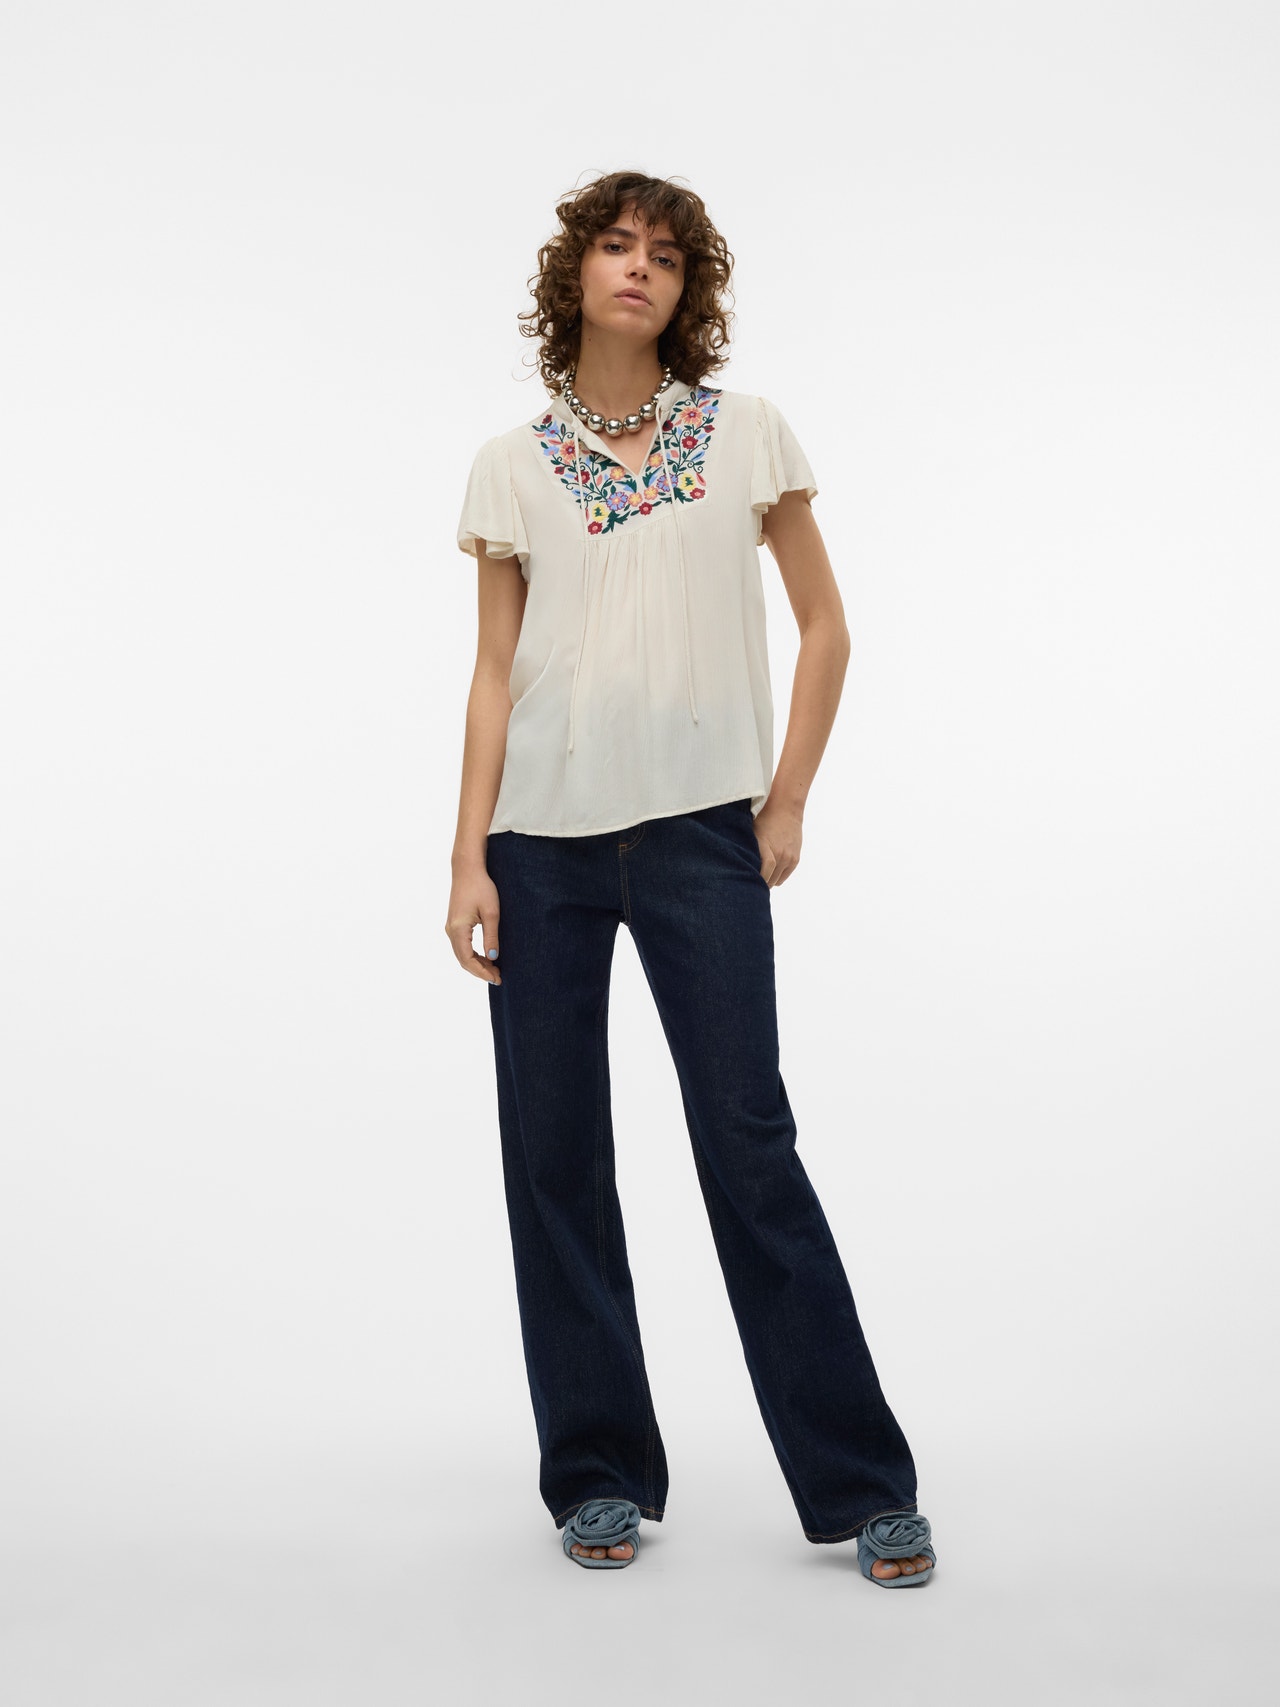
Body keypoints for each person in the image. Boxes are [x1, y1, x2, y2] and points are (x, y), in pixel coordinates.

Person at [446, 170, 936, 1587]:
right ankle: (597, 1472)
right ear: (576, 273)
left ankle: (860, 1482)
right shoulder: (511, 464)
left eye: (665, 255)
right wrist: (468, 851)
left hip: (700, 838)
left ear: (688, 289)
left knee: (747, 1140)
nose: (638, 269)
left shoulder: (747, 435)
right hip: (539, 847)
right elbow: (493, 670)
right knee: (555, 1154)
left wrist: (788, 800)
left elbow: (828, 626)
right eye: (616, 246)